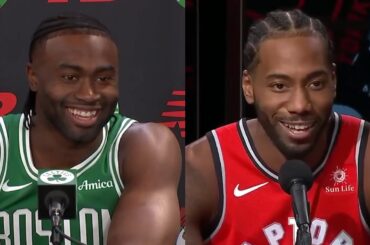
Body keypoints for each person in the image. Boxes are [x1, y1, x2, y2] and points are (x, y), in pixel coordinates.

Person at [185, 8, 370, 244]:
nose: (300, 105)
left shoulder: (364, 155)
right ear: (248, 87)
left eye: (315, 84)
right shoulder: (202, 170)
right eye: (280, 86)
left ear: (333, 81)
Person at [0, 12, 182, 244]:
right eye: (70, 77)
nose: (89, 94)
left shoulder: (145, 146)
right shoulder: (4, 144)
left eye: (104, 79)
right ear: (33, 76)